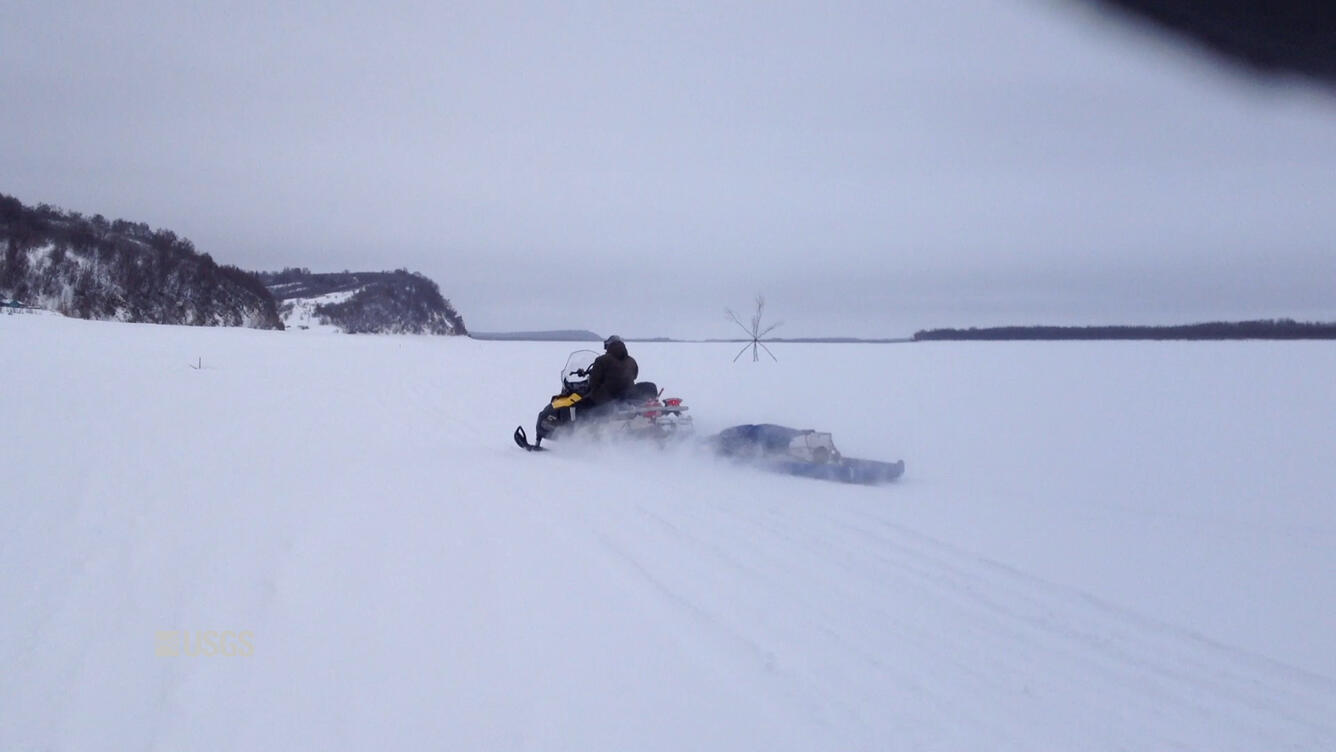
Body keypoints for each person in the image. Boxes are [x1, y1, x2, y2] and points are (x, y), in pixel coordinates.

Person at [583, 334, 638, 407]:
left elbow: (594, 380)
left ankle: (583, 417)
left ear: (609, 346)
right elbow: (634, 376)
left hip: (607, 397)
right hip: (627, 394)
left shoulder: (601, 360)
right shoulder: (631, 360)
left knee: (584, 400)